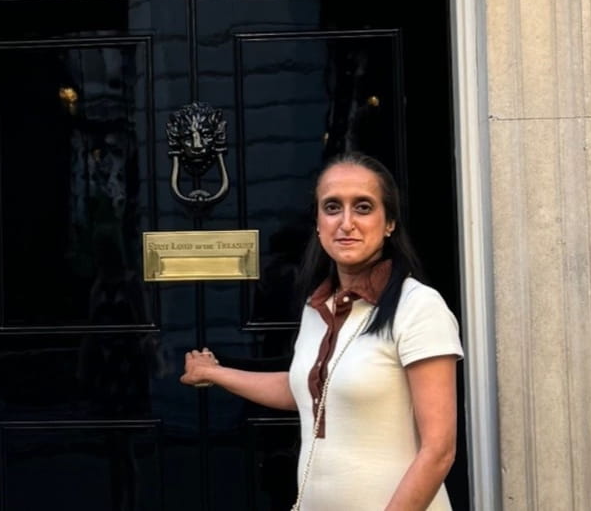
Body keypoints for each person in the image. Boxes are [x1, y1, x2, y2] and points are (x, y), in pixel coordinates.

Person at [180, 152, 463, 510]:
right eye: (332, 207)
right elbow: (307, 386)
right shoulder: (318, 307)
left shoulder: (419, 307)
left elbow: (439, 451)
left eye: (363, 207)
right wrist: (214, 373)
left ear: (389, 222)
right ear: (317, 221)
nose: (346, 223)